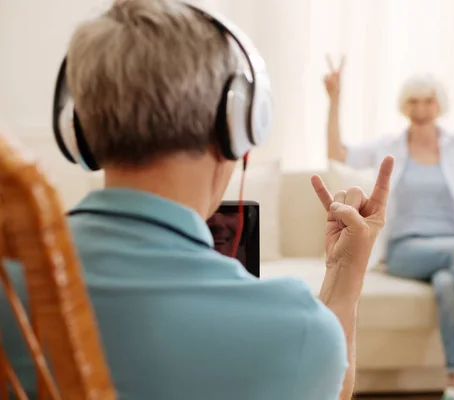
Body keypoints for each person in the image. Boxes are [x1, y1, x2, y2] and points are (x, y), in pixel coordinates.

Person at [0, 2, 394, 399]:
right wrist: (345, 280)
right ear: (236, 127)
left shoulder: (8, 281)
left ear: (80, 133)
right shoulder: (296, 330)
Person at [323, 55, 454, 400]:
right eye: (414, 101)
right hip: (406, 250)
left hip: (452, 250)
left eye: (429, 100)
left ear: (440, 104)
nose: (421, 108)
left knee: (449, 284)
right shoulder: (389, 146)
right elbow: (338, 152)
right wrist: (334, 101)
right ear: (405, 106)